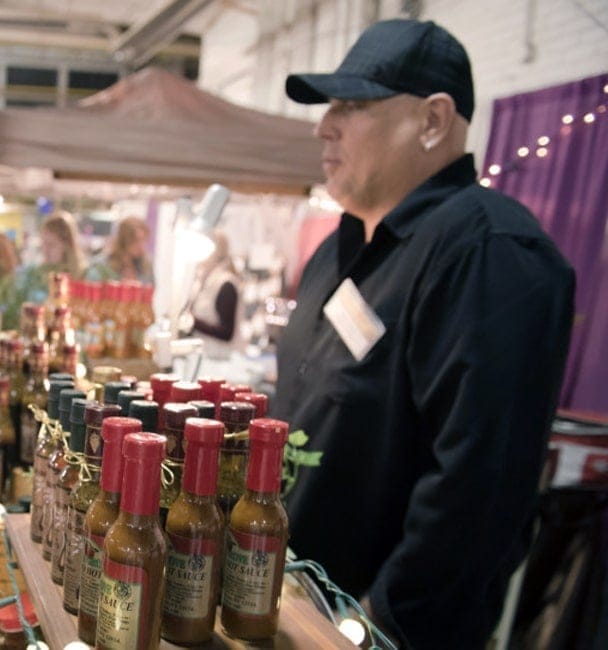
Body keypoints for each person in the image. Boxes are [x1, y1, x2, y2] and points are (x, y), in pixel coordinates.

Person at [271, 19, 575, 649]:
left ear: (433, 121)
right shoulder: (338, 252)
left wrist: (381, 616)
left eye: (353, 106)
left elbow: (479, 483)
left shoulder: (488, 252)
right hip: (290, 597)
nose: (325, 126)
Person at [183, 231, 244, 358]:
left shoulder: (226, 284)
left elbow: (227, 333)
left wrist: (193, 322)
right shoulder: (200, 281)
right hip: (201, 357)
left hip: (221, 360)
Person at [16, 212, 85, 305]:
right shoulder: (33, 273)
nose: (45, 250)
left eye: (51, 245)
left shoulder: (83, 275)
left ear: (67, 245)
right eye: (43, 243)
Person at [84, 215, 153, 284]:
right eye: (136, 241)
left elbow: (151, 288)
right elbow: (89, 288)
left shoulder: (146, 267)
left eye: (144, 240)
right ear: (124, 240)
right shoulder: (101, 267)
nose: (141, 246)